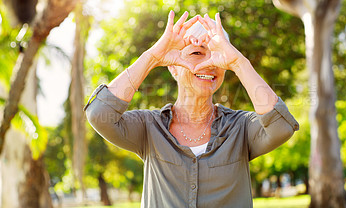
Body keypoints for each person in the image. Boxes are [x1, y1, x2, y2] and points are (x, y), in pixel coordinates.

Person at [84, 11, 299, 208]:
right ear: (173, 67)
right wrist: (153, 57)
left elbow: (281, 127)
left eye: (216, 54)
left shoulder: (240, 127)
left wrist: (237, 62)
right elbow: (99, 114)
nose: (209, 63)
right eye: (197, 53)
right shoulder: (149, 127)